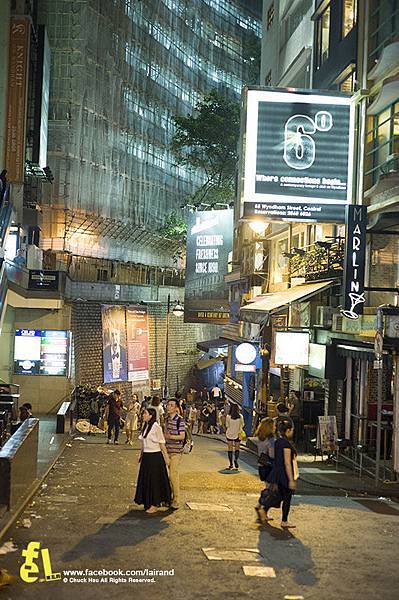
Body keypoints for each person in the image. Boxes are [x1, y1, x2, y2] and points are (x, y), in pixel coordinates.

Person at [258, 417, 298, 528]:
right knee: (286, 497)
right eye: (292, 430)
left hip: (277, 473)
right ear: (288, 431)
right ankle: (284, 521)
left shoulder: (277, 442)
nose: (293, 432)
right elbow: (287, 463)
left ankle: (264, 509)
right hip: (284, 474)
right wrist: (291, 479)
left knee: (279, 496)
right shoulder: (286, 444)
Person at [134, 407, 171, 514]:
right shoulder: (145, 426)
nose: (143, 415)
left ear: (151, 415)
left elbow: (161, 444)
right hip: (146, 457)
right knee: (146, 480)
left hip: (155, 457)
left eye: (145, 413)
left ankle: (155, 504)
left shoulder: (156, 427)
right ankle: (147, 502)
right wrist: (140, 454)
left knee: (154, 481)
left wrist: (166, 458)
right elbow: (143, 443)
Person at [164, 398, 185, 510]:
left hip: (176, 451)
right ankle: (170, 496)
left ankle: (176, 499)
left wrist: (170, 437)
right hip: (167, 450)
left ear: (176, 408)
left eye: (171, 405)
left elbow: (182, 436)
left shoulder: (179, 420)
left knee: (173, 474)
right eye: (168, 405)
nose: (168, 407)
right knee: (169, 475)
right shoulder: (166, 419)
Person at [224, 403, 244, 470]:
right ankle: (236, 460)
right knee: (237, 449)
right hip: (237, 434)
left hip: (229, 434)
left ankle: (231, 464)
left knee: (230, 449)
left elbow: (227, 425)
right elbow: (242, 425)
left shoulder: (228, 416)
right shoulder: (240, 416)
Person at [255, 417, 276, 482]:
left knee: (267, 486)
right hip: (269, 466)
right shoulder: (271, 439)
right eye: (274, 425)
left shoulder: (260, 437)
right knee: (270, 488)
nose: (275, 427)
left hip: (261, 465)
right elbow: (272, 455)